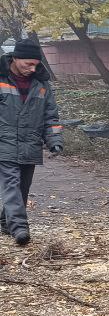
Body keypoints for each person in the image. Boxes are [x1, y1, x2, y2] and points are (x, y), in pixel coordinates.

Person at [0, 38, 63, 246]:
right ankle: (19, 227)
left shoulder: (42, 85)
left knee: (23, 188)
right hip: (4, 142)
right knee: (11, 184)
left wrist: (54, 140)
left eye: (36, 64)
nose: (32, 68)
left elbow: (50, 116)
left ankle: (4, 221)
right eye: (28, 63)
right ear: (15, 58)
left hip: (31, 144)